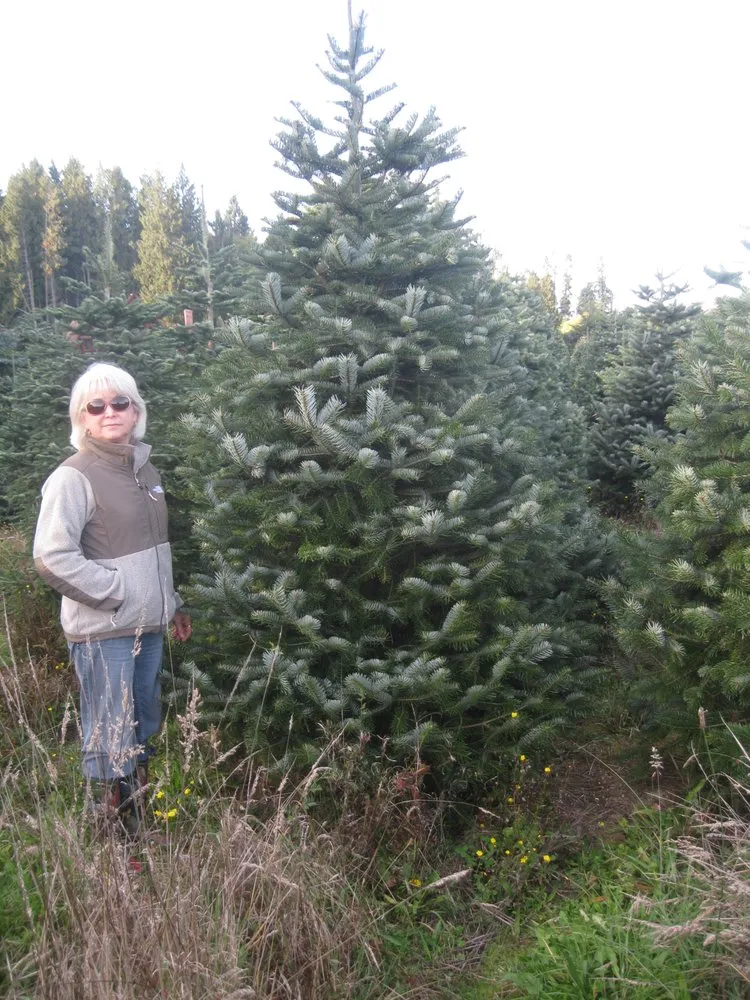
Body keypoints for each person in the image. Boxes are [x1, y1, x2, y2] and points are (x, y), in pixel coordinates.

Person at [33, 362, 191, 835]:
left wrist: (172, 601)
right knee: (110, 732)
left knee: (142, 722)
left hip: (149, 624)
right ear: (81, 418)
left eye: (120, 402)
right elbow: (51, 556)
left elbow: (153, 552)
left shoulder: (144, 468)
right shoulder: (74, 476)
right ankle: (110, 835)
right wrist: (115, 594)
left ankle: (137, 820)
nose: (109, 412)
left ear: (136, 410)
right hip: (105, 631)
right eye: (95, 406)